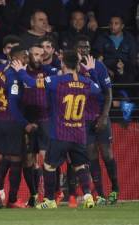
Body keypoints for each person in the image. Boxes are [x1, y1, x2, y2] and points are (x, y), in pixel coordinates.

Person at [15, 50, 100, 209]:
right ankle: (88, 195)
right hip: (79, 134)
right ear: (77, 64)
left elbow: (32, 83)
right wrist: (91, 71)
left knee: (49, 165)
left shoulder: (56, 81)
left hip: (60, 133)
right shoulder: (86, 82)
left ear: (63, 64)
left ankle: (49, 200)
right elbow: (98, 89)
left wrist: (20, 70)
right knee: (80, 165)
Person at [0, 46, 37, 208]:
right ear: (16, 59)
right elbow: (13, 106)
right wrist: (26, 124)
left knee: (5, 158)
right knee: (16, 160)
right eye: (25, 57)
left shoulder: (0, 70)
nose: (27, 60)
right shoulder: (14, 77)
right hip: (12, 122)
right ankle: (12, 199)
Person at [75, 35, 118, 205]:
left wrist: (104, 116)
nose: (83, 50)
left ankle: (115, 190)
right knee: (91, 155)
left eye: (86, 47)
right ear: (76, 49)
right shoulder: (73, 68)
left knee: (107, 154)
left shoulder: (99, 67)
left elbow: (108, 94)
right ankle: (99, 194)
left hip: (100, 116)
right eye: (80, 47)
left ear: (89, 49)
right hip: (84, 119)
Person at [21, 44, 58, 207]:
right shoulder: (20, 70)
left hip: (45, 119)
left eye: (40, 55)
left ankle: (53, 193)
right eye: (35, 54)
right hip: (27, 119)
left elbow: (61, 75)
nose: (38, 58)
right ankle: (33, 194)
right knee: (28, 160)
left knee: (46, 158)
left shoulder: (49, 71)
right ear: (29, 55)